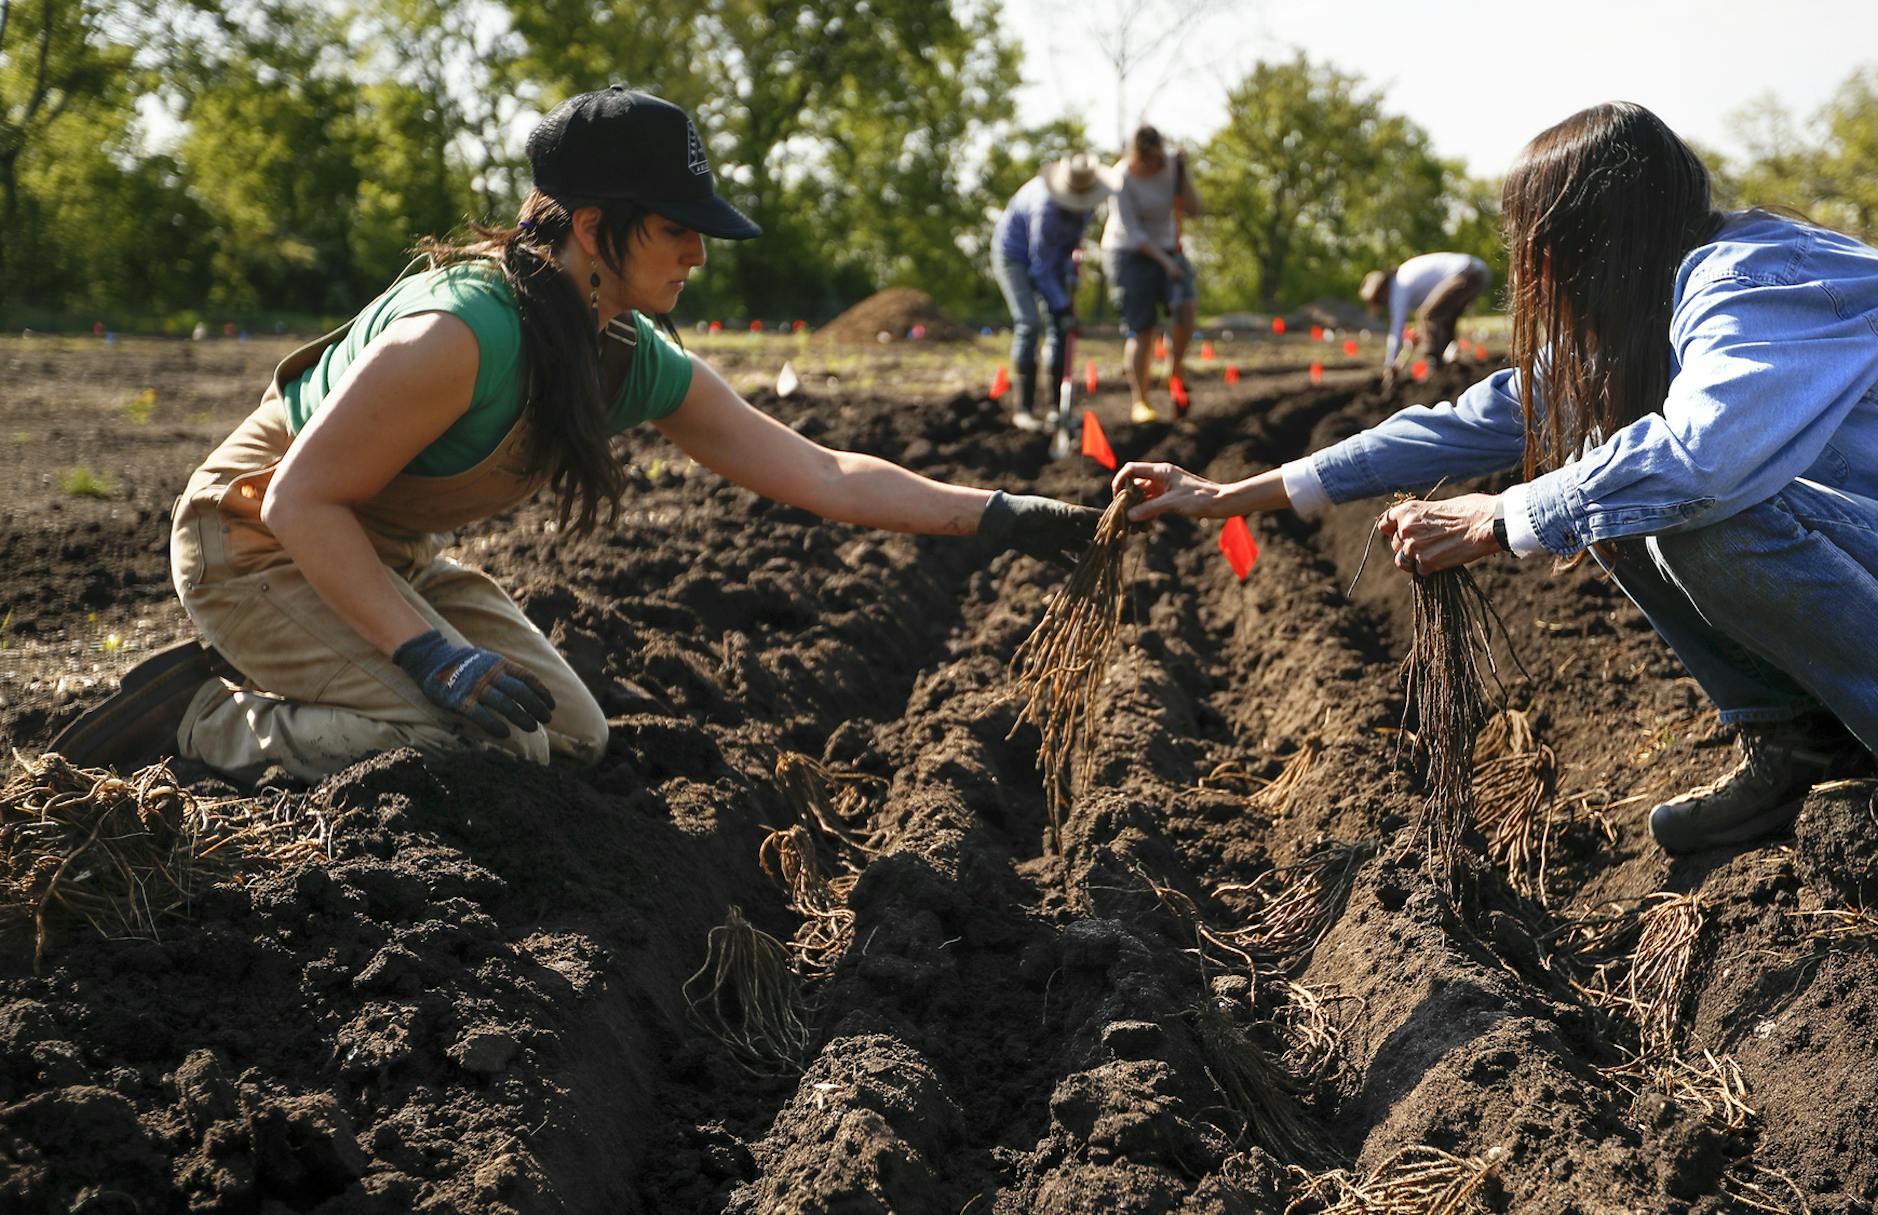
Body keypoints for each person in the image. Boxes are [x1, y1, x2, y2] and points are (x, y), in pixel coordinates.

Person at [1113, 102, 1878, 943]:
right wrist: (1230, 495)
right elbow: (1470, 419)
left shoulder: (1765, 283)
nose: (1534, 273)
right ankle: (1797, 743)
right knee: (1606, 482)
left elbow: (1704, 463)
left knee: (1675, 497)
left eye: (1539, 246)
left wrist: (1503, 518)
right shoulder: (1652, 312)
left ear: (1591, 237)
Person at [56, 86, 1095, 784]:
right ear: (595, 227)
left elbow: (820, 471)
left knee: (567, 734)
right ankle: (193, 721)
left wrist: (1008, 515)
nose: (698, 252)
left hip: (379, 555)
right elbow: (299, 499)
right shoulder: (459, 334)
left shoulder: (620, 349)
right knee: (462, 737)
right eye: (677, 228)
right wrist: (426, 652)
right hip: (256, 546)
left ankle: (325, 676)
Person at [991, 153, 1115, 432]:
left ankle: (1055, 410)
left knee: (1060, 330)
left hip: (1050, 261)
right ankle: (1023, 409)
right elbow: (1040, 269)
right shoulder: (1044, 210)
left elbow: (1068, 248)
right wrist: (1062, 306)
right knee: (1029, 323)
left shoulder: (1088, 203)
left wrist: (1071, 276)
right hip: (1014, 257)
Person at [1101, 125, 1203, 424]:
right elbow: (1133, 234)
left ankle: (1176, 370)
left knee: (1186, 309)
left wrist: (1184, 173)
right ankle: (1140, 401)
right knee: (1142, 328)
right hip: (1128, 251)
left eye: (1160, 159)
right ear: (1135, 158)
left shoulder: (1173, 166)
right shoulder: (1119, 178)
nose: (1156, 166)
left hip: (1169, 245)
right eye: (1149, 162)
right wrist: (1165, 263)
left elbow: (1195, 209)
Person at [1362, 251, 1490, 392]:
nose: (1384, 303)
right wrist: (1422, 335)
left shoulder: (1398, 286)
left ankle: (1435, 370)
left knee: (1427, 315)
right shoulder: (1407, 278)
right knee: (1444, 320)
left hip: (1466, 273)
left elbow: (1397, 328)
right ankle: (1450, 369)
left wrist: (1390, 364)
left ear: (1383, 289)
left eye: (1380, 300)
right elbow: (1433, 316)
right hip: (1476, 272)